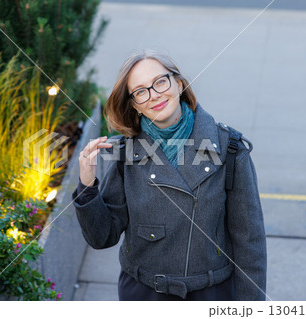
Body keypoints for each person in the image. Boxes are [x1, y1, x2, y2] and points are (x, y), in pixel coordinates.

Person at [72, 50, 267, 301]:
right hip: (144, 295)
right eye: (141, 91)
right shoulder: (125, 153)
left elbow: (250, 243)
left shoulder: (230, 148)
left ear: (178, 83)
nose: (154, 95)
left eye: (160, 82)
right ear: (135, 105)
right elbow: (102, 236)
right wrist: (87, 185)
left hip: (212, 294)